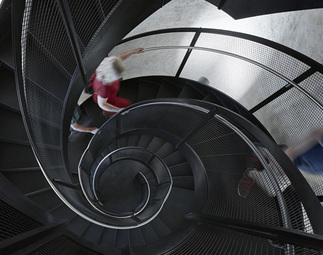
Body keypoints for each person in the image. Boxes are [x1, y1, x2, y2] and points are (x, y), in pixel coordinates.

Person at [89, 48, 144, 115]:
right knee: (126, 104)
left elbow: (117, 59)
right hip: (106, 98)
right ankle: (107, 112)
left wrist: (132, 52)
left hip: (107, 93)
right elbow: (103, 104)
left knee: (126, 104)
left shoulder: (105, 63)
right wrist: (119, 110)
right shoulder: (104, 89)